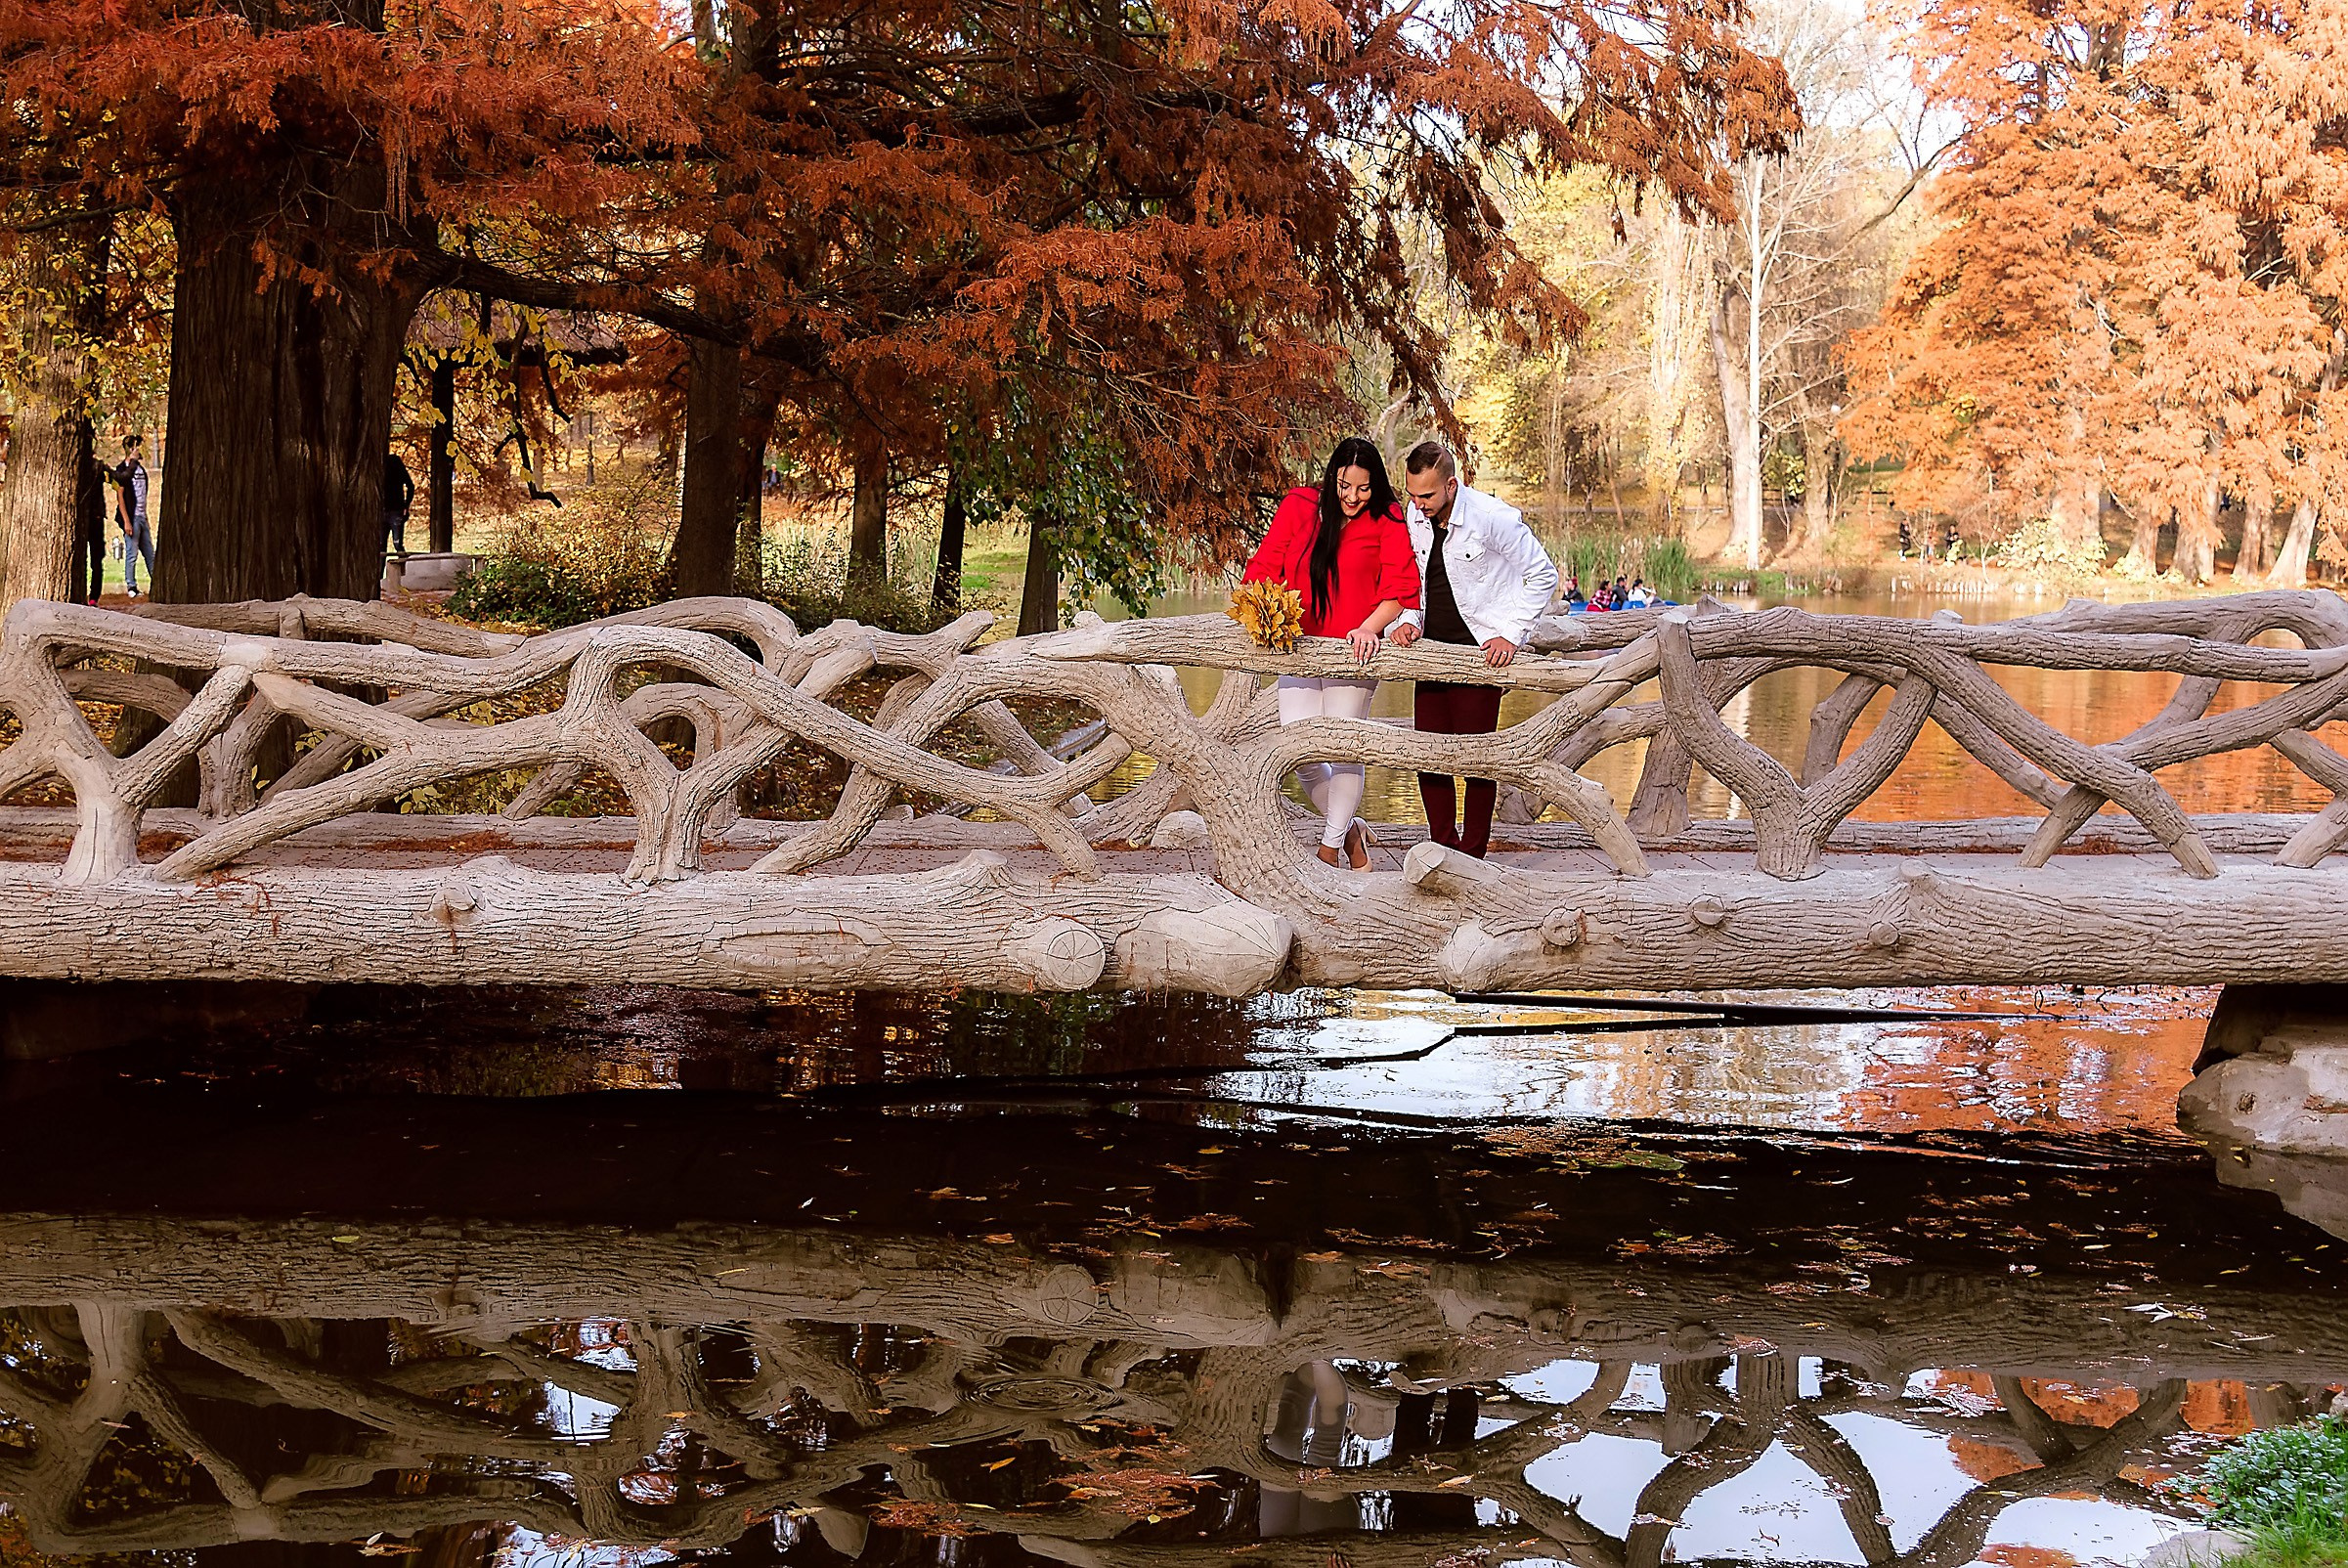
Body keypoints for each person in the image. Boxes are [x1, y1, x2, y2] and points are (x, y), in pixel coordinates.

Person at [1241, 436, 1419, 870]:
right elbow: (1264, 566)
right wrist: (1258, 608)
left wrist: (1369, 628)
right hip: (1297, 647)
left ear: (1375, 485)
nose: (1352, 497)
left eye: (1363, 487)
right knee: (1299, 750)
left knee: (1343, 749)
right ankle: (1352, 830)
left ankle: (1329, 850)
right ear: (1331, 478)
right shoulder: (1300, 506)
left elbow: (1402, 590)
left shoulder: (1388, 519)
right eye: (1344, 485)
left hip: (1352, 652)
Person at [1389, 440, 1557, 859]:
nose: (1418, 504)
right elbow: (1413, 576)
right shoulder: (1415, 515)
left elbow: (1542, 575)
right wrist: (1408, 621)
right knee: (1428, 754)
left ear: (1451, 484)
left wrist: (1511, 634)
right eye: (1412, 494)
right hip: (1431, 651)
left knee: (1478, 759)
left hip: (1479, 655)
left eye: (1426, 495)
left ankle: (1473, 855)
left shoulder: (1491, 518)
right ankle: (1443, 849)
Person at [112, 435, 152, 598]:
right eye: (137, 447)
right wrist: (127, 521)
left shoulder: (141, 470)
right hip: (131, 518)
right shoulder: (122, 469)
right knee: (131, 553)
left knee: (150, 553)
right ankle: (131, 586)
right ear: (131, 449)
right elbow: (120, 496)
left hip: (142, 517)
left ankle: (156, 582)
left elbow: (143, 494)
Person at [383, 451, 416, 557]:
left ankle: (403, 571)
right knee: (387, 546)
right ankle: (380, 573)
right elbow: (410, 486)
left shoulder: (395, 465)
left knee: (396, 545)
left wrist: (406, 505)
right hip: (387, 511)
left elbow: (410, 486)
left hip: (395, 510)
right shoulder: (385, 466)